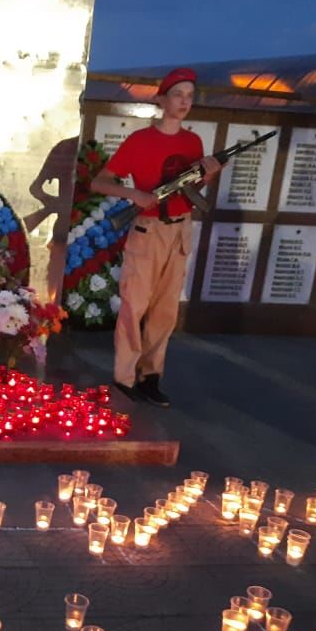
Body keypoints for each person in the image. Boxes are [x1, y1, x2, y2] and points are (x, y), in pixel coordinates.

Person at [90, 67, 220, 408]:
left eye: (190, 96)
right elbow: (99, 182)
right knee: (134, 307)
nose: (184, 102)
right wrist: (135, 195)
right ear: (162, 99)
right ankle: (124, 378)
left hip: (179, 230)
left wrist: (207, 176)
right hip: (147, 232)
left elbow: (191, 189)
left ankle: (151, 376)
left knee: (165, 311)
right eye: (178, 95)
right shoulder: (139, 141)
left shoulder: (192, 142)